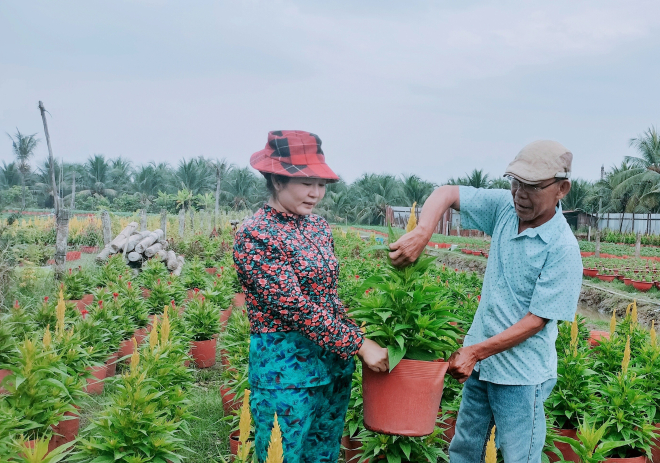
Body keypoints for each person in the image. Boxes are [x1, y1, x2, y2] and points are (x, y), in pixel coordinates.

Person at [389, 140, 583, 463]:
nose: (520, 193)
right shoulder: (505, 209)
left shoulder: (562, 248)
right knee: (465, 450)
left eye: (532, 186)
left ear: (562, 188)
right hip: (481, 366)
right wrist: (424, 230)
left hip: (521, 376)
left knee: (520, 457)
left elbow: (537, 320)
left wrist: (475, 351)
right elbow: (448, 193)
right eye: (515, 182)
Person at [233, 130, 389, 463]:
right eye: (307, 183)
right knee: (283, 455)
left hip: (332, 364)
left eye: (321, 185)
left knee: (324, 454)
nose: (316, 193)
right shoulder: (257, 233)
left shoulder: (317, 226)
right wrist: (359, 344)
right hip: (286, 370)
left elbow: (328, 297)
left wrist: (355, 335)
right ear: (277, 180)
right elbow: (295, 307)